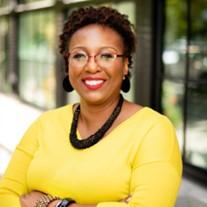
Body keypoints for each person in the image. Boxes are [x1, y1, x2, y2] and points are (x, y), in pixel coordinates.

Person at [0, 6, 182, 207]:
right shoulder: (45, 124)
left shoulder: (154, 130)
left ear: (125, 65)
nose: (92, 66)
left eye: (106, 55)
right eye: (79, 55)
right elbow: (4, 196)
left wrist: (52, 204)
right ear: (68, 64)